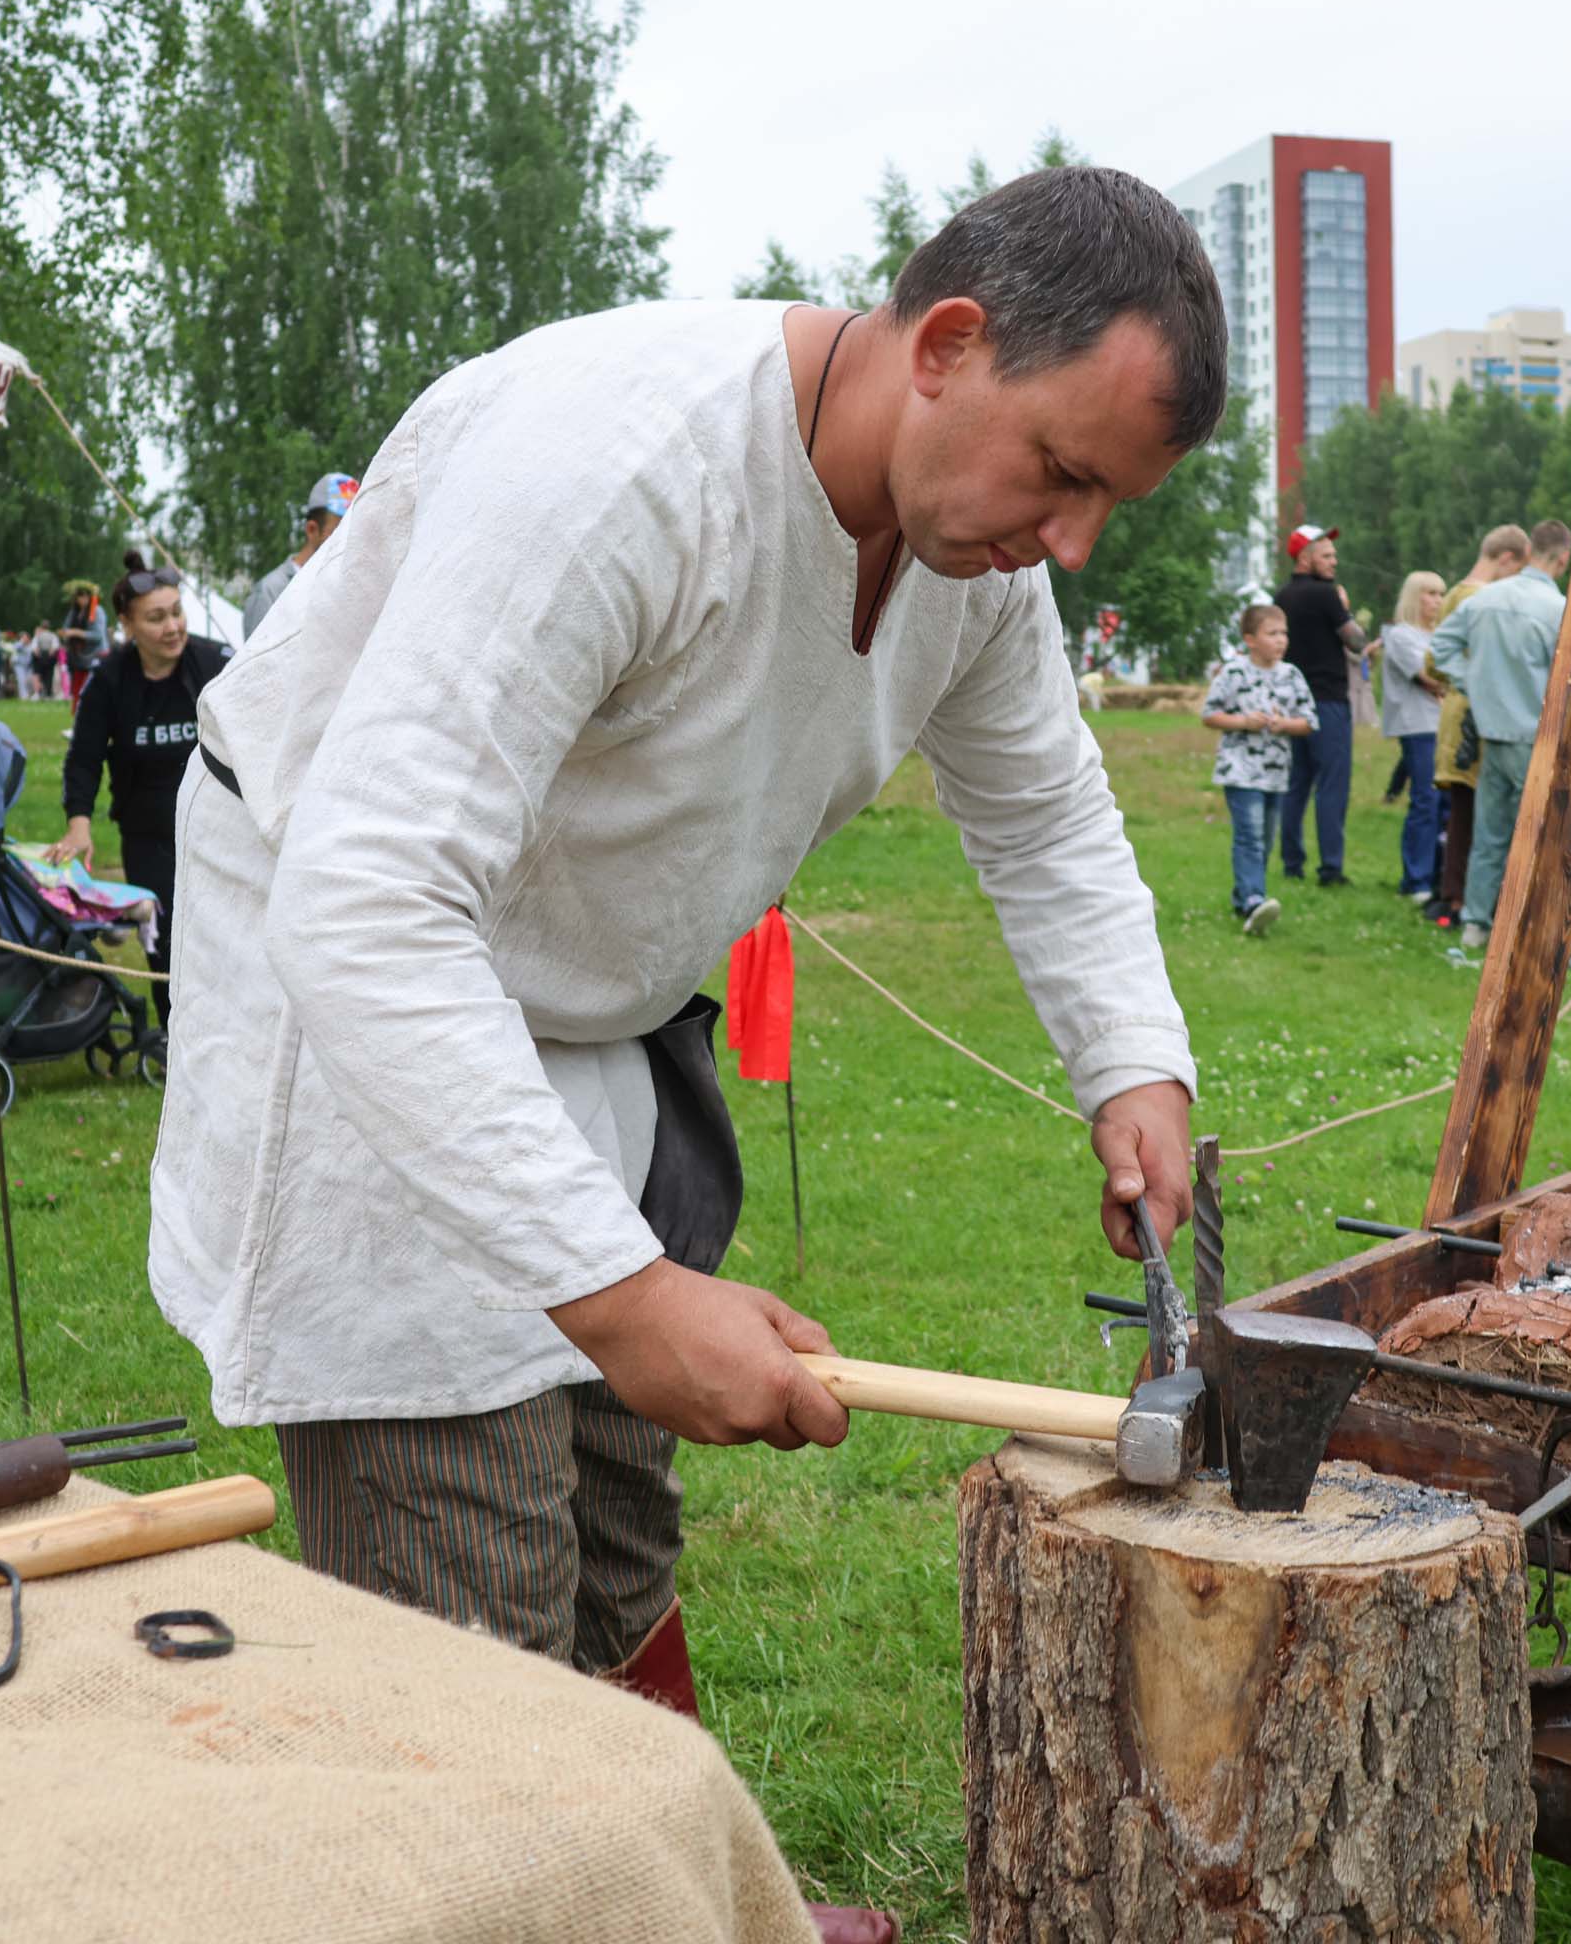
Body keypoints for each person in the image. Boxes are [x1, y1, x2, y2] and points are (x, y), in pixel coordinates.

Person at [148, 170, 1218, 1724]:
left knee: (614, 1532)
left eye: (1108, 500)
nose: (1073, 545)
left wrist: (1133, 1060)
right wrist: (627, 1296)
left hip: (589, 1007)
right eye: (1062, 471)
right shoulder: (617, 464)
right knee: (469, 1596)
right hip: (369, 1004)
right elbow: (367, 902)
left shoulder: (974, 569)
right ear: (948, 346)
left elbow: (1045, 816)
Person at [47, 553, 231, 1021]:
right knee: (166, 939)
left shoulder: (213, 663)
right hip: (148, 834)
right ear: (127, 625)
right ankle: (177, 1036)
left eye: (176, 612)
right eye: (156, 618)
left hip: (220, 828)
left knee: (227, 936)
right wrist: (78, 826)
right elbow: (84, 759)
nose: (173, 627)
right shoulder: (109, 681)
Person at [1428, 518, 1571, 949]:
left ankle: (1475, 924)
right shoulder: (1559, 608)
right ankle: (1535, 928)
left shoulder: (1485, 599)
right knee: (1544, 835)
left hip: (1492, 731)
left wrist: (1473, 681)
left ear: (1531, 553)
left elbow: (1439, 648)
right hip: (1535, 734)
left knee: (1489, 833)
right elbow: (1567, 675)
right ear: (1562, 559)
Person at [1427, 532, 1521, 924]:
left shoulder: (1455, 593)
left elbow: (1433, 664)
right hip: (1476, 716)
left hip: (1459, 710)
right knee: (1477, 812)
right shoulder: (1480, 601)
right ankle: (1462, 901)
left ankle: (1456, 897)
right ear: (1506, 559)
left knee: (1465, 810)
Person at [1202, 600, 1311, 936]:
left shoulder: (1291, 675)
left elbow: (1308, 722)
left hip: (1277, 773)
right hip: (1240, 770)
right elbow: (1209, 715)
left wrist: (1284, 724)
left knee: (1265, 838)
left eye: (1284, 633)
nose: (1281, 640)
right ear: (1250, 639)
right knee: (1250, 836)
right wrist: (1244, 722)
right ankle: (1253, 899)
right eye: (1272, 633)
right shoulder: (1233, 673)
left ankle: (1245, 898)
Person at [1274, 523, 1364, 886]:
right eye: (1326, 555)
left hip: (1292, 703)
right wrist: (1345, 608)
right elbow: (1356, 642)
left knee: (1296, 785)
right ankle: (1330, 868)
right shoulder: (1327, 596)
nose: (1334, 561)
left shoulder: (1280, 597)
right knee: (1332, 785)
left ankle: (1291, 864)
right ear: (1306, 556)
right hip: (1327, 702)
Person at [1376, 571, 1446, 900]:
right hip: (1418, 724)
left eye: (1441, 594)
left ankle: (1438, 875)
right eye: (1429, 593)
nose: (1437, 600)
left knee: (1445, 802)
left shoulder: (1440, 634)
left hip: (1446, 724)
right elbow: (1431, 676)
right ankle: (1416, 878)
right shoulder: (1401, 636)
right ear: (1413, 596)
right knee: (1425, 800)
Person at [242, 471, 360, 641]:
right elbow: (253, 665)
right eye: (339, 531)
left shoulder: (347, 589)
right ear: (312, 530)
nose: (348, 540)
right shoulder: (270, 593)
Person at [58, 582, 109, 709]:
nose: (82, 599)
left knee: (92, 691)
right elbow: (66, 627)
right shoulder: (74, 612)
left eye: (85, 596)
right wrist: (65, 634)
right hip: (79, 658)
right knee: (77, 691)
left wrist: (76, 632)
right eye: (79, 596)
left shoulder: (97, 611)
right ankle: (78, 719)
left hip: (95, 656)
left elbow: (97, 636)